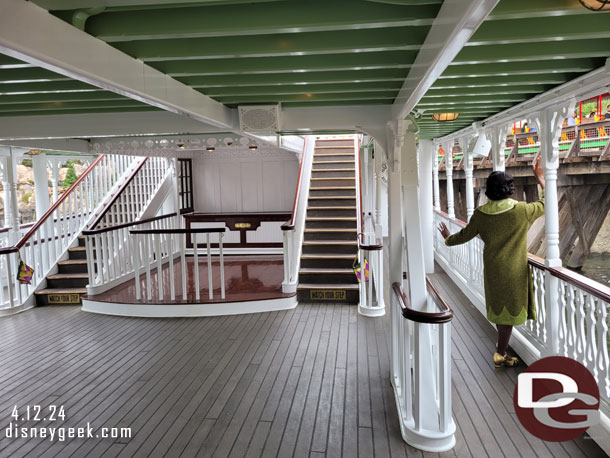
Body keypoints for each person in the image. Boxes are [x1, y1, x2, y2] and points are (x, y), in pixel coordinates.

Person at [438, 157, 545, 368]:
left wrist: (448, 237)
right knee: (510, 313)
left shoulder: (481, 214)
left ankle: (502, 351)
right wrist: (541, 178)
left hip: (493, 269)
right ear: (509, 189)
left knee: (499, 309)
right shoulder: (521, 211)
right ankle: (500, 352)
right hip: (514, 270)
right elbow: (545, 203)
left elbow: (464, 236)